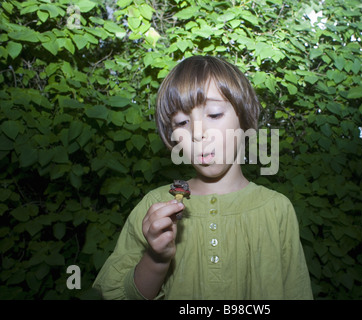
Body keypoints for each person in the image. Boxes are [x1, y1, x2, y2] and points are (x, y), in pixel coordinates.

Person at [92, 55, 313, 300]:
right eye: (182, 122)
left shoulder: (277, 209)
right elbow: (115, 294)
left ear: (245, 119)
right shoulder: (154, 206)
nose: (197, 133)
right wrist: (156, 258)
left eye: (215, 114)